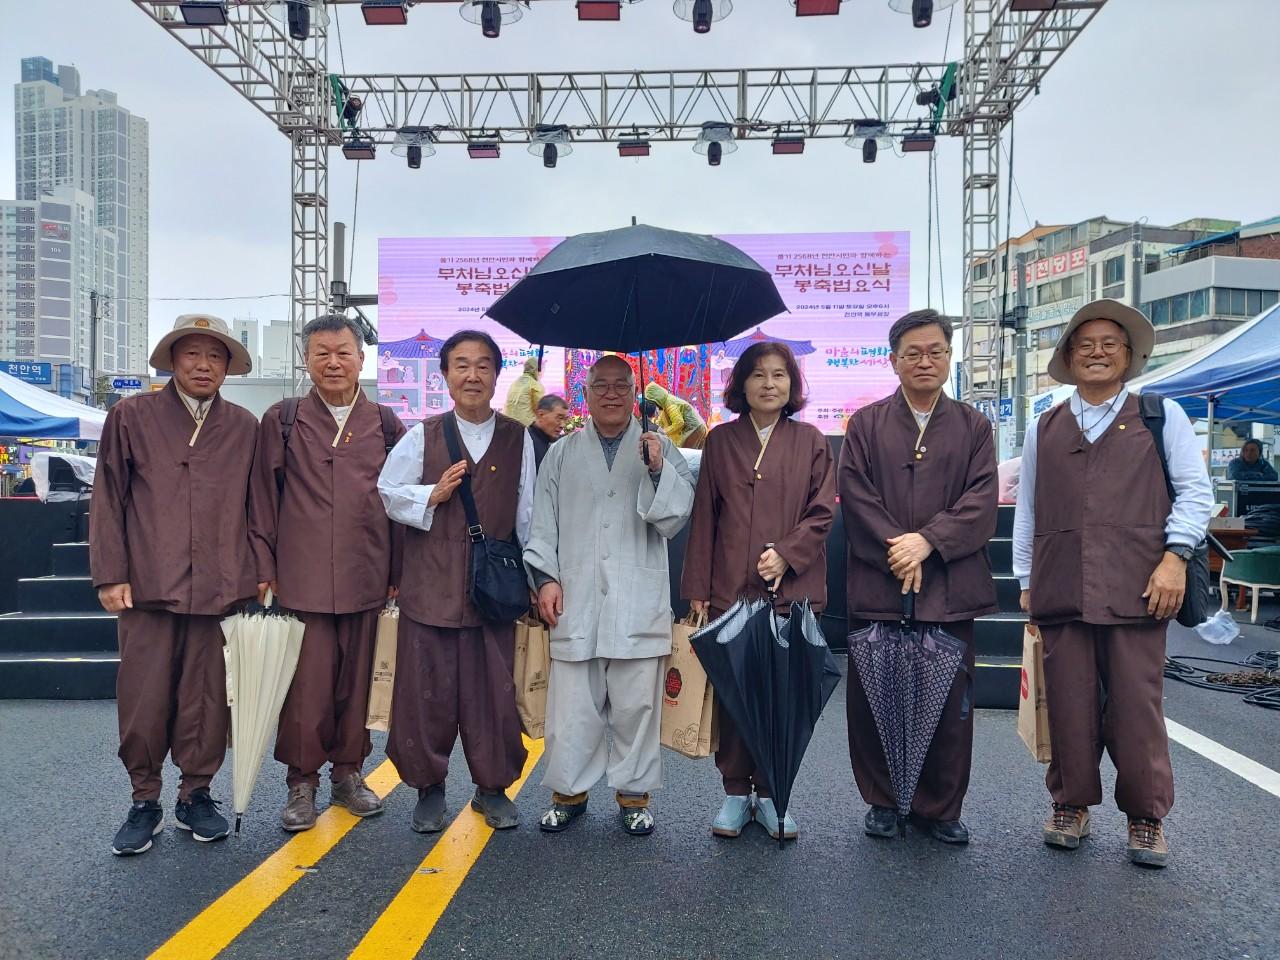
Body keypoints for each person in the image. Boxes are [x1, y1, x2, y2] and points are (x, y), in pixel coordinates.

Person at [1014, 299, 1212, 868]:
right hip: (1060, 585)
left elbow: (1196, 494)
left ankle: (1146, 816)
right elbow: (1027, 509)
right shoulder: (1044, 426)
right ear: (1069, 356)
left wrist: (1175, 558)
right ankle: (1070, 803)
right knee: (1068, 704)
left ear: (1128, 355)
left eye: (1110, 344)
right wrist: (1027, 579)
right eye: (1085, 344)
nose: (1097, 352)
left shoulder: (1160, 415)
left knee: (1135, 707)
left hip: (1139, 585)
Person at [90, 314, 258, 856]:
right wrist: (110, 572)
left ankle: (196, 793)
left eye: (215, 356)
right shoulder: (132, 415)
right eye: (192, 354)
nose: (204, 365)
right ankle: (144, 798)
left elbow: (258, 508)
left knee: (207, 697)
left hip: (218, 584)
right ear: (171, 361)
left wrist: (258, 572)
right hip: (149, 582)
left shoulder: (242, 426)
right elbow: (108, 497)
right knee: (144, 695)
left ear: (228, 367)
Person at [839, 309, 998, 846]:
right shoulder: (865, 424)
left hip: (949, 587)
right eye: (913, 353)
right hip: (880, 583)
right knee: (874, 697)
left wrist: (928, 541)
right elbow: (856, 495)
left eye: (935, 351)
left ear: (949, 358)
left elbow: (981, 500)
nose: (925, 361)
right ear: (894, 361)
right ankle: (883, 801)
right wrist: (899, 546)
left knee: (951, 704)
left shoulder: (974, 426)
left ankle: (940, 805)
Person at [525, 355, 695, 836]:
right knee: (573, 707)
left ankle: (634, 796)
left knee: (636, 705)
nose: (613, 394)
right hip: (574, 598)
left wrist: (659, 470)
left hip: (636, 597)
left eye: (623, 385)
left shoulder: (658, 447)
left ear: (635, 393)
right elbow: (542, 523)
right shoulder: (561, 453)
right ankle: (569, 794)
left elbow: (674, 518)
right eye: (602, 385)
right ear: (586, 393)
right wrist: (547, 579)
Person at [249, 313, 406, 832]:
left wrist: (397, 571)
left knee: (356, 685)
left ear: (363, 359)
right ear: (307, 359)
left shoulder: (385, 424)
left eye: (344, 352)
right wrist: (264, 566)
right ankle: (301, 783)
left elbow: (402, 504)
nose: (333, 362)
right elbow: (261, 501)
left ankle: (348, 773)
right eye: (322, 353)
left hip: (367, 577)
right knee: (305, 688)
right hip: (302, 578)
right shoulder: (283, 418)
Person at [378, 330, 536, 833]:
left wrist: (534, 580)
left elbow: (529, 512)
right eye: (462, 365)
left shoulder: (517, 437)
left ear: (496, 375)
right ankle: (428, 787)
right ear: (445, 375)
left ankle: (492, 788)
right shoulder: (422, 434)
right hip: (430, 584)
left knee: (493, 693)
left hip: (494, 588)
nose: (472, 375)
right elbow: (386, 493)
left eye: (483, 365)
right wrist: (431, 495)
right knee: (427, 693)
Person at [682, 342, 835, 840]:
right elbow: (704, 516)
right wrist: (698, 589)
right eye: (758, 375)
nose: (770, 384)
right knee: (733, 698)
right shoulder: (721, 442)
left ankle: (772, 795)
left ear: (792, 386)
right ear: (741, 384)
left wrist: (789, 554)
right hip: (730, 587)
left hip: (790, 592)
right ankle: (733, 793)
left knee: (781, 697)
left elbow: (822, 511)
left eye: (780, 376)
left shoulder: (811, 440)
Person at [643, 381, 708, 449]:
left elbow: (679, 423)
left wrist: (662, 432)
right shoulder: (665, 404)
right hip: (698, 428)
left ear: (656, 398)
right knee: (697, 456)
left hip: (694, 429)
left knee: (685, 455)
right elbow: (660, 422)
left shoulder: (670, 403)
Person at [529, 394, 569, 469]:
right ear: (541, 415)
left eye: (565, 419)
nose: (562, 425)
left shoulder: (560, 443)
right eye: (559, 418)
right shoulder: (526, 442)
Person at [504, 356, 545, 427]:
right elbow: (540, 410)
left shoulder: (515, 382)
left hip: (508, 425)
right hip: (525, 427)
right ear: (537, 369)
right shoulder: (535, 385)